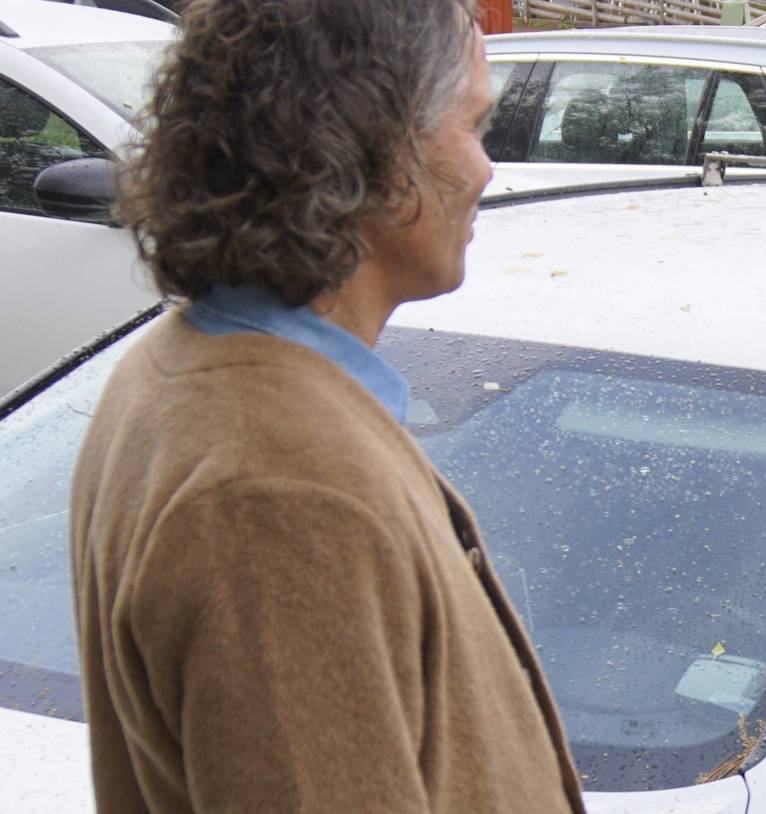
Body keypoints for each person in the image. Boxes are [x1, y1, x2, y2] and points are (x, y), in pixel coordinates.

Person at [68, 1, 584, 811]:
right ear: (379, 148)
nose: (488, 171)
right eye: (473, 126)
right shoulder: (279, 492)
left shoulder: (184, 367)